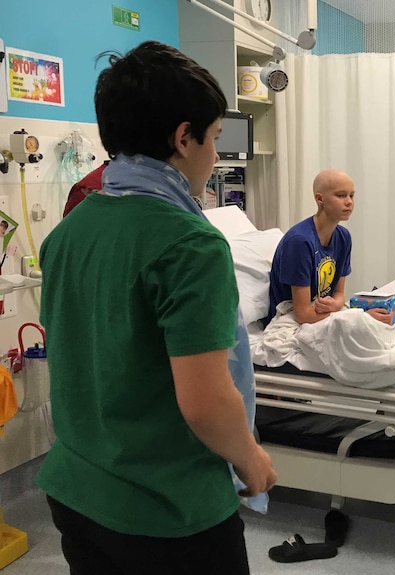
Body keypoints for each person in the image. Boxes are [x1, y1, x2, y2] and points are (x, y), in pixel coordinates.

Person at [37, 41, 276, 575]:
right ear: (183, 138)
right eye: (213, 139)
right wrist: (251, 458)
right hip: (167, 511)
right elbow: (208, 404)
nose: (215, 157)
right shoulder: (191, 244)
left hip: (78, 491)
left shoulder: (70, 232)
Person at [267, 169, 392, 325]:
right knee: (367, 324)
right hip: (292, 317)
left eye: (351, 195)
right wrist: (360, 318)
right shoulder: (299, 241)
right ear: (320, 199)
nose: (349, 202)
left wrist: (337, 304)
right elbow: (303, 315)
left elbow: (339, 293)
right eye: (341, 195)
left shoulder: (343, 237)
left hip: (323, 314)